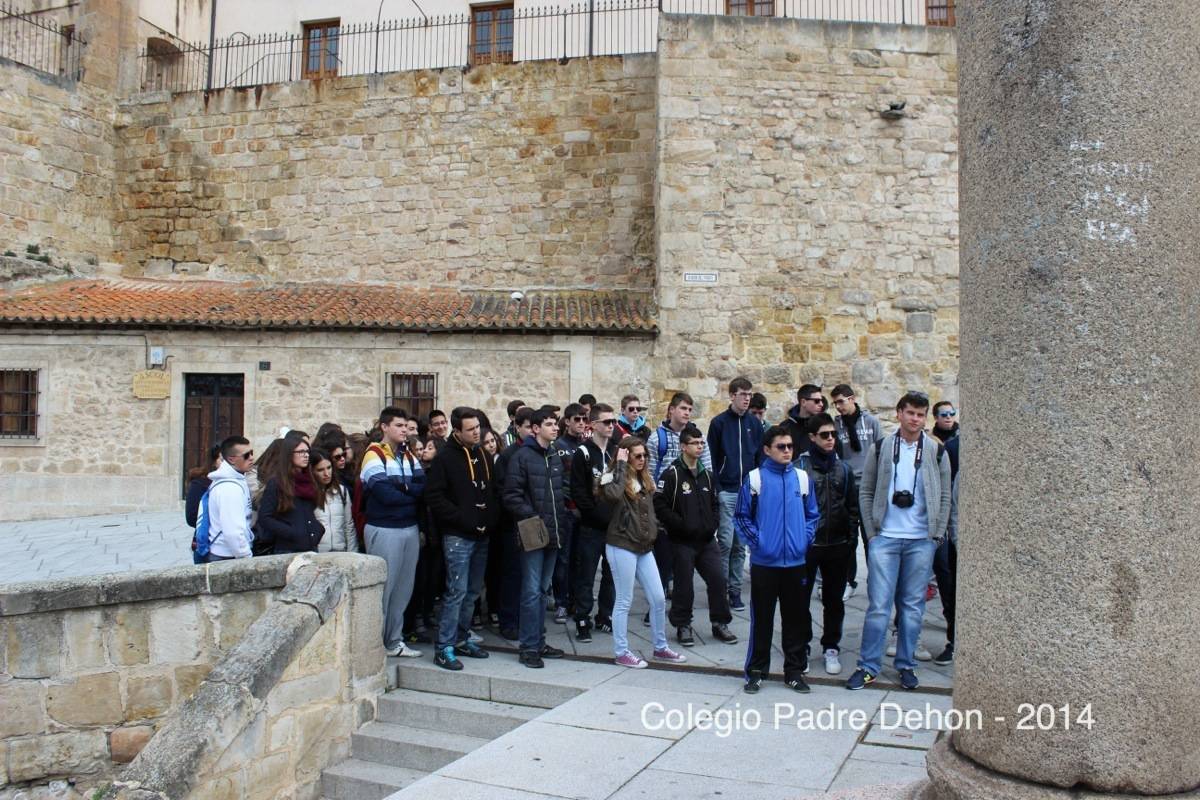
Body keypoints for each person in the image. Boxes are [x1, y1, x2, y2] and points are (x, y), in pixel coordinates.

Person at [847, 392, 952, 692]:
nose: (915, 419)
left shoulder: (936, 452)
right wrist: (871, 533)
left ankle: (906, 665)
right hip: (886, 538)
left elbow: (944, 495)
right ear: (899, 414)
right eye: (910, 413)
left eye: (920, 414)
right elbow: (865, 491)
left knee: (912, 607)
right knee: (878, 606)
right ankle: (868, 667)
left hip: (921, 539)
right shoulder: (880, 449)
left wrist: (936, 534)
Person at [735, 425, 819, 694]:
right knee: (762, 619)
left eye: (790, 446)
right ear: (767, 450)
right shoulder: (755, 479)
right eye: (781, 446)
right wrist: (759, 542)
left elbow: (812, 515)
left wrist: (804, 539)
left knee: (795, 620)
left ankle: (793, 672)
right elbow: (741, 516)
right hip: (765, 564)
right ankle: (757, 671)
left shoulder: (802, 478)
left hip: (795, 563)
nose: (787, 451)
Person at [601, 436, 687, 668]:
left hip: (643, 546)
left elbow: (649, 512)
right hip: (621, 545)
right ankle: (621, 652)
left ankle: (660, 647)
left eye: (644, 455)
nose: (642, 459)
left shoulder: (644, 478)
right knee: (624, 600)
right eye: (637, 456)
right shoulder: (611, 476)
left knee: (658, 598)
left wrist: (657, 531)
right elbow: (612, 495)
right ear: (626, 456)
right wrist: (619, 466)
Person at [425, 407, 499, 670]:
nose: (477, 432)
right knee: (455, 590)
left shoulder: (483, 454)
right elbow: (434, 496)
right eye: (471, 429)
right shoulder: (445, 458)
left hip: (482, 534)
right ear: (457, 431)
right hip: (458, 535)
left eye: (478, 427)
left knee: (472, 591)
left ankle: (461, 638)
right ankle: (443, 646)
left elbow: (490, 491)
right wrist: (462, 517)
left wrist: (489, 518)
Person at [654, 426, 737, 648]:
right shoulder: (671, 474)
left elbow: (714, 504)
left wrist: (713, 524)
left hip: (707, 540)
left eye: (702, 443)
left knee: (718, 580)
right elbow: (660, 506)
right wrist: (680, 526)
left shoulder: (707, 475)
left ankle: (720, 622)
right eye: (695, 443)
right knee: (684, 585)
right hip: (682, 541)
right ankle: (683, 625)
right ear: (683, 446)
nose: (700, 447)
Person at [502, 408, 568, 668]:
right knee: (531, 591)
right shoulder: (522, 457)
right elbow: (511, 495)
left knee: (542, 590)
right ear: (536, 428)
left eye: (555, 424)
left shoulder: (554, 455)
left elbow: (561, 490)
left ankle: (539, 641)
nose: (555, 428)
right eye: (549, 424)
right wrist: (533, 517)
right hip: (532, 531)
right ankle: (528, 646)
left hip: (554, 531)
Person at [795, 413, 859, 675]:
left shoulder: (842, 468)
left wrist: (851, 537)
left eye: (833, 434)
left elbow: (852, 505)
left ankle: (831, 645)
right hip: (809, 545)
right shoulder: (800, 467)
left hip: (838, 544)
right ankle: (803, 646)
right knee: (800, 599)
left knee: (834, 600)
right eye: (824, 435)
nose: (831, 439)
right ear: (812, 437)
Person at [361, 406, 427, 659]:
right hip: (385, 527)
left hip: (408, 527)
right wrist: (408, 490)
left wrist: (404, 488)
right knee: (384, 590)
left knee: (403, 589)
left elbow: (423, 487)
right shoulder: (373, 455)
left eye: (405, 426)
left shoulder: (409, 455)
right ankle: (374, 645)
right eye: (398, 426)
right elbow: (384, 495)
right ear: (384, 427)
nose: (404, 430)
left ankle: (394, 640)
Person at [646, 392, 712, 607]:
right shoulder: (657, 438)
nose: (687, 413)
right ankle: (657, 601)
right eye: (683, 408)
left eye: (690, 410)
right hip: (667, 503)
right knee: (663, 557)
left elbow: (708, 470)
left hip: (692, 503)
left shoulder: (697, 435)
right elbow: (649, 471)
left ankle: (679, 598)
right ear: (671, 410)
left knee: (685, 559)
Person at [706, 376, 765, 612]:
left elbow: (760, 455)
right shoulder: (719, 423)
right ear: (732, 396)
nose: (746, 399)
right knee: (726, 543)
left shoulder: (754, 423)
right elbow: (712, 456)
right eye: (742, 394)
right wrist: (718, 488)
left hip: (748, 491)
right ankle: (719, 588)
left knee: (741, 545)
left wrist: (758, 486)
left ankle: (735, 590)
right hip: (728, 490)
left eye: (749, 395)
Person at [830, 383, 884, 601]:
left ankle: (876, 581)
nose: (839, 407)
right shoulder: (836, 425)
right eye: (835, 403)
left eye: (841, 401)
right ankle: (848, 580)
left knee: (871, 536)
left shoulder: (871, 422)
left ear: (852, 399)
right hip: (847, 487)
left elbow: (881, 451)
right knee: (848, 538)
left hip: (868, 487)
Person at [569, 403, 619, 641]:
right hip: (591, 527)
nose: (611, 426)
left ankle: (605, 615)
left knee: (612, 575)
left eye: (613, 422)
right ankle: (582, 618)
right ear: (594, 425)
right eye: (607, 422)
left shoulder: (615, 452)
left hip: (614, 528)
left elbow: (621, 487)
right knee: (586, 575)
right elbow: (578, 492)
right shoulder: (583, 452)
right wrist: (596, 516)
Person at [493, 407, 534, 642]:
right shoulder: (508, 456)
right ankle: (508, 621)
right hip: (512, 524)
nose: (530, 431)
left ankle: (525, 620)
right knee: (512, 574)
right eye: (526, 426)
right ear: (517, 427)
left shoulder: (540, 453)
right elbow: (502, 491)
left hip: (533, 522)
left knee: (530, 577)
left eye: (532, 426)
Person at [550, 403, 589, 624]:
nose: (581, 423)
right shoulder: (558, 446)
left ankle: (576, 600)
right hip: (565, 510)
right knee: (562, 560)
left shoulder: (586, 446)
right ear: (567, 421)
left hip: (583, 511)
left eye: (584, 419)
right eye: (577, 419)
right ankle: (561, 602)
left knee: (580, 559)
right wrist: (566, 506)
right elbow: (556, 480)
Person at [256, 437, 325, 554]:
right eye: (300, 452)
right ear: (289, 454)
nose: (306, 455)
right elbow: (265, 517)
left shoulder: (310, 480)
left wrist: (318, 529)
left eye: (307, 451)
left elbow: (311, 511)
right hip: (287, 548)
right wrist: (291, 532)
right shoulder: (276, 483)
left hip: (310, 546)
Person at [203, 436, 256, 562]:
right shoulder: (230, 488)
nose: (251, 458)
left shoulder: (236, 480)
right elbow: (233, 532)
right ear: (232, 459)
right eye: (246, 455)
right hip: (227, 555)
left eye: (252, 453)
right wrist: (246, 557)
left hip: (228, 554)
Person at [312, 449, 358, 552]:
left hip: (341, 552)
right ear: (312, 471)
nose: (326, 473)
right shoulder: (309, 494)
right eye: (320, 470)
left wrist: (352, 554)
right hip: (318, 554)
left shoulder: (342, 491)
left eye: (329, 468)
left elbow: (348, 525)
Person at [186, 444, 222, 563]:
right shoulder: (200, 484)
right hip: (207, 544)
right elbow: (191, 517)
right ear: (214, 461)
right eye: (223, 459)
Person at [781, 384, 824, 461]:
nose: (821, 404)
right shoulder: (785, 427)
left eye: (822, 400)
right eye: (817, 401)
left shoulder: (823, 426)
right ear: (803, 402)